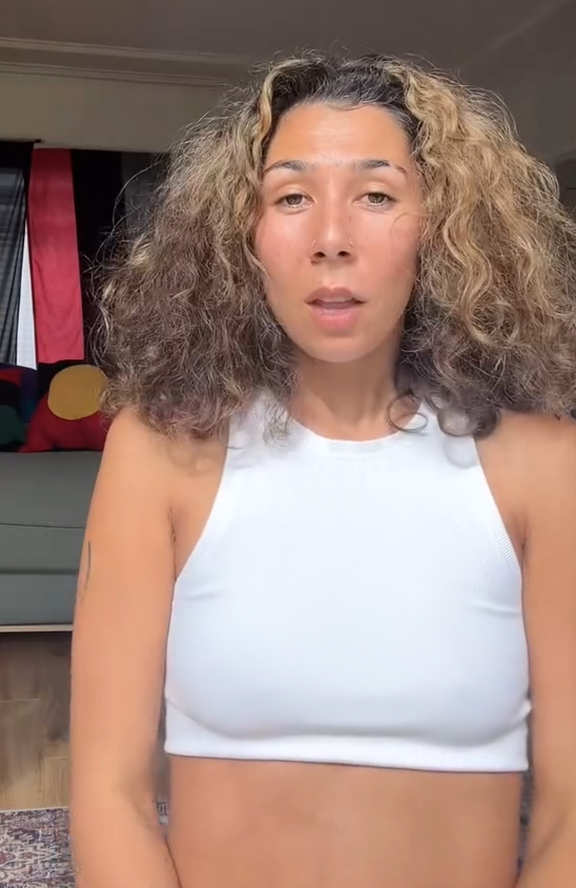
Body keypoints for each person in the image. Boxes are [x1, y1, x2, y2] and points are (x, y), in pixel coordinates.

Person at [69, 52, 576, 888]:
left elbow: (568, 815)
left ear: (441, 226)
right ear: (244, 236)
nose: (331, 239)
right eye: (292, 197)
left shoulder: (542, 462)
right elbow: (107, 791)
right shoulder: (158, 452)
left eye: (376, 195)